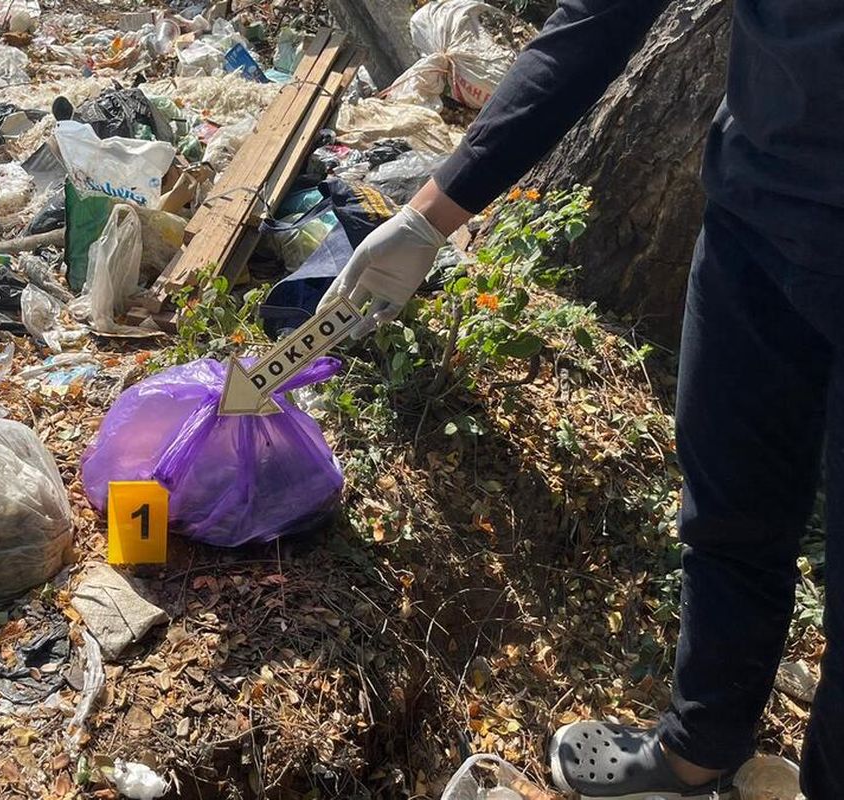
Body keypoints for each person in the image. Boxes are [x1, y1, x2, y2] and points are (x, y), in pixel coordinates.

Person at [319, 1, 843, 797]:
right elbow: (596, 21)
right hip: (756, 225)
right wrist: (428, 219)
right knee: (730, 509)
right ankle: (698, 752)